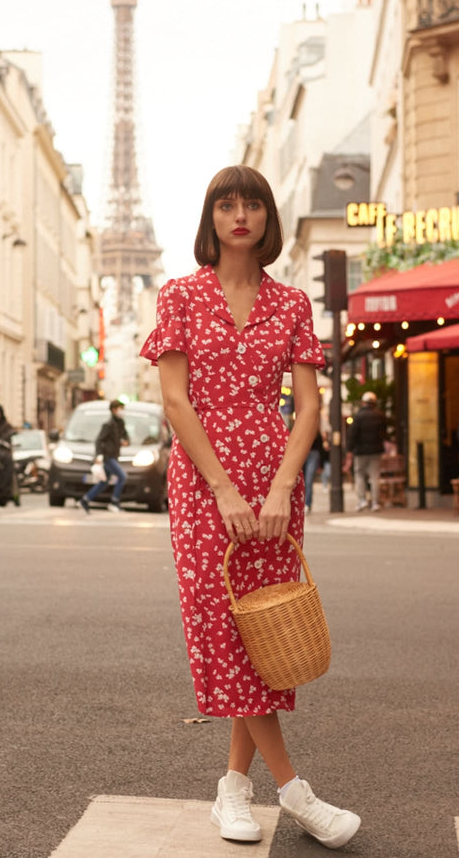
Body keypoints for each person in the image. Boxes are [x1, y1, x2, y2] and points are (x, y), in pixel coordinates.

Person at [140, 166, 360, 850]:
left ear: (268, 217)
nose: (240, 214)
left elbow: (310, 406)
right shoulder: (178, 295)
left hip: (274, 482)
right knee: (225, 627)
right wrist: (226, 489)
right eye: (226, 203)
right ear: (210, 217)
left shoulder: (292, 304)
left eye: (253, 203)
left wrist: (282, 485)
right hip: (208, 485)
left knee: (263, 635)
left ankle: (233, 788)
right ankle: (297, 793)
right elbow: (176, 402)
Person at [78, 399, 130, 514]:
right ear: (113, 410)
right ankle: (114, 502)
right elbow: (99, 441)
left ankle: (85, 500)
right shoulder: (108, 425)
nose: (122, 411)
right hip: (108, 456)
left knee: (104, 482)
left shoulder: (121, 423)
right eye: (120, 409)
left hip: (114, 456)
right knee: (122, 476)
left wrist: (126, 441)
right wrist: (98, 456)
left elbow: (126, 436)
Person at [346, 391, 387, 512]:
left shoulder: (358, 416)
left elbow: (352, 434)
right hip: (376, 450)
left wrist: (349, 450)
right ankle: (375, 502)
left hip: (361, 451)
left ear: (363, 402)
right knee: (374, 477)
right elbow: (384, 434)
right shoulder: (380, 415)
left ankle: (362, 500)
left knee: (359, 475)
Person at [302, 429, 323, 513]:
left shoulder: (316, 431)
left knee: (309, 479)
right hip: (302, 452)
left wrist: (320, 465)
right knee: (303, 480)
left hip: (313, 453)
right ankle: (304, 503)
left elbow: (320, 448)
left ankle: (307, 503)